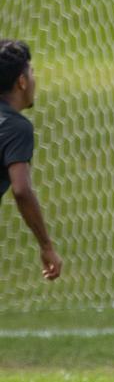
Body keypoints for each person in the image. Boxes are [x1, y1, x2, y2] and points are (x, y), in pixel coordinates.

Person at [0, 40, 62, 283]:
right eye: (32, 72)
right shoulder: (16, 128)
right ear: (22, 82)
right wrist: (46, 246)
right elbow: (22, 189)